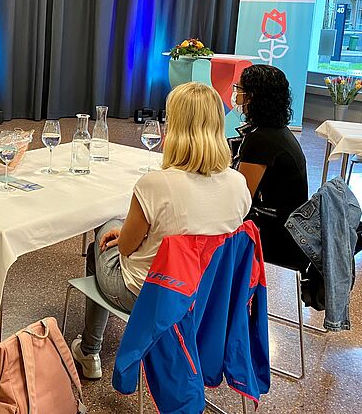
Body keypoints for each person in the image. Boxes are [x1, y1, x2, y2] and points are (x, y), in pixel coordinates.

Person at [71, 82, 250, 380]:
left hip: (152, 296)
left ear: (175, 126)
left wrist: (128, 232)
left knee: (103, 234)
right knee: (122, 231)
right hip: (209, 296)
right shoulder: (238, 183)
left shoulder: (155, 184)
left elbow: (125, 249)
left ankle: (90, 351)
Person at [232, 64, 310, 270]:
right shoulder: (276, 132)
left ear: (252, 96)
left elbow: (241, 197)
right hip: (290, 228)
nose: (236, 94)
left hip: (278, 236)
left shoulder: (262, 140)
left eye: (239, 89)